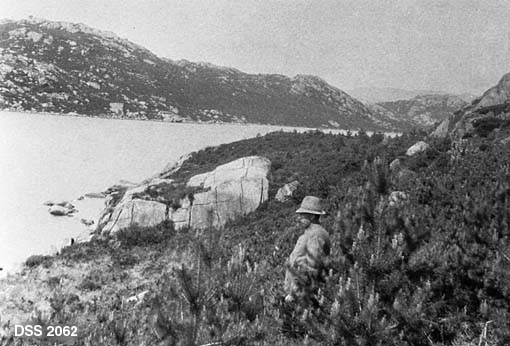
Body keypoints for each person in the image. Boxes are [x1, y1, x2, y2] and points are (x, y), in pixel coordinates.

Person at [284, 196, 331, 303]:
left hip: (303, 297)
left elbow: (311, 267)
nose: (299, 218)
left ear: (313, 216)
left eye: (302, 215)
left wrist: (294, 293)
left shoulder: (315, 235)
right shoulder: (311, 233)